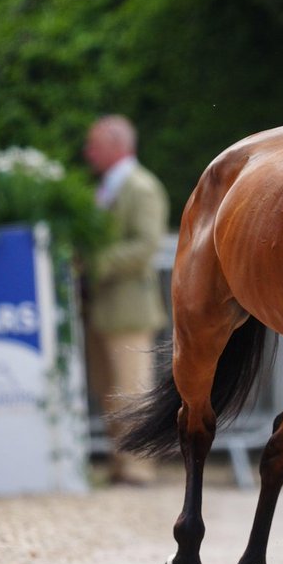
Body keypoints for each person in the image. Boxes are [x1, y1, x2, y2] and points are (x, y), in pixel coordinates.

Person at [82, 115, 169, 486]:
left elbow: (146, 244)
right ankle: (121, 462)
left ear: (117, 144)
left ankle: (139, 466)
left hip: (130, 307)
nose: (88, 152)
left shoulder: (141, 187)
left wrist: (96, 262)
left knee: (133, 390)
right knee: (109, 390)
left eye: (95, 144)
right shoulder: (105, 188)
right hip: (102, 306)